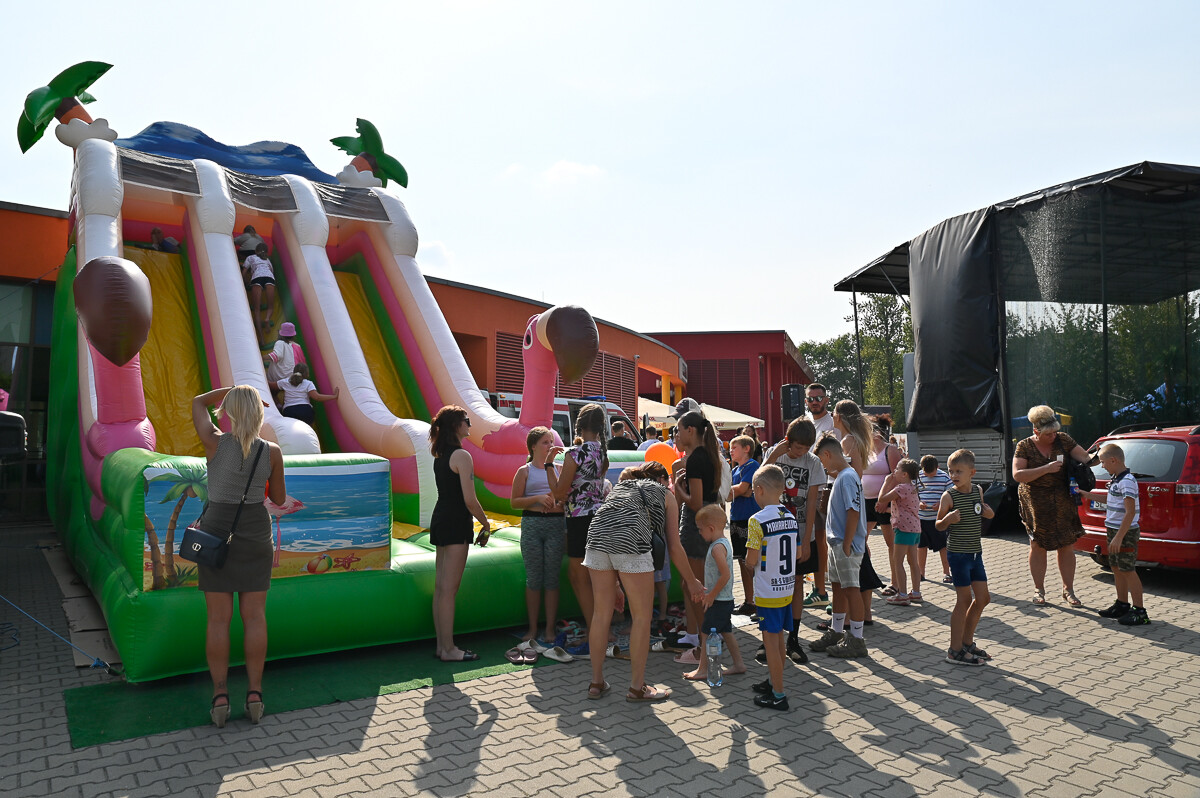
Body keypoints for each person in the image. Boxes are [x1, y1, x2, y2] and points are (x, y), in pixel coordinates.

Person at [190, 385, 285, 727]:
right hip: (255, 534)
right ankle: (255, 696)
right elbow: (279, 498)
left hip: (216, 531)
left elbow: (198, 402)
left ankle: (220, 698)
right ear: (259, 413)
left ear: (229, 411)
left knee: (218, 620)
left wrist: (230, 390)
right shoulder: (271, 451)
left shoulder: (214, 442)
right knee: (255, 618)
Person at [583, 464, 702, 702]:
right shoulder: (666, 494)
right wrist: (692, 581)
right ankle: (637, 688)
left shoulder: (622, 487)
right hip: (632, 541)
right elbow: (675, 546)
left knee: (600, 614)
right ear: (662, 480)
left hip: (596, 538)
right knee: (641, 618)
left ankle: (596, 683)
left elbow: (612, 526)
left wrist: (617, 586)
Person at [1012, 404, 1092, 606]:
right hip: (1035, 501)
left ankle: (1068, 590)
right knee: (1038, 544)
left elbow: (1085, 457)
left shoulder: (1063, 440)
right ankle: (1039, 590)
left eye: (1055, 432)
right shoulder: (1024, 446)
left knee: (1066, 544)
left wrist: (1101, 457)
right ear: (1036, 431)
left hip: (1063, 499)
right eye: (1049, 434)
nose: (1053, 436)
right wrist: (1046, 469)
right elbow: (1018, 475)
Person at [429, 406, 491, 662]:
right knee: (449, 590)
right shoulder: (462, 456)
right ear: (456, 425)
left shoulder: (440, 455)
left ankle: (442, 646)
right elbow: (470, 500)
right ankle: (449, 649)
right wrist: (486, 524)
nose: (470, 425)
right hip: (455, 522)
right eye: (467, 420)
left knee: (440, 588)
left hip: (441, 519)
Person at [763, 418, 824, 663]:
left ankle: (794, 637)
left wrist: (806, 540)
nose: (802, 452)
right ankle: (770, 637)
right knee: (772, 583)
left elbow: (812, 503)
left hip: (799, 532)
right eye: (798, 447)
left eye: (807, 448)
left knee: (797, 582)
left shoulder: (813, 462)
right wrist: (774, 455)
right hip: (773, 531)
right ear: (788, 441)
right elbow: (758, 481)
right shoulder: (775, 454)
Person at [552, 403, 609, 645]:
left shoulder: (575, 453)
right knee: (593, 576)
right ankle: (601, 628)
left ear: (579, 425)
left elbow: (559, 492)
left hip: (578, 518)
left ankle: (595, 631)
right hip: (597, 516)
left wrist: (548, 466)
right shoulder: (601, 453)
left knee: (578, 576)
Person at [670, 408, 724, 664]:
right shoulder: (708, 455)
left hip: (697, 525)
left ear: (690, 431)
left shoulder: (695, 460)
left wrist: (678, 487)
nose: (676, 435)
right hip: (704, 524)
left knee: (696, 588)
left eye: (678, 430)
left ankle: (707, 647)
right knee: (691, 584)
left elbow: (695, 502)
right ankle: (705, 642)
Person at [811, 433, 870, 658]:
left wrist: (847, 543)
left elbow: (853, 511)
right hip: (837, 542)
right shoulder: (843, 476)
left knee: (851, 589)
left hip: (846, 544)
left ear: (827, 454)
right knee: (838, 587)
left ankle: (856, 639)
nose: (823, 466)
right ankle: (836, 631)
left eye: (822, 460)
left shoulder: (847, 477)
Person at [936, 449, 995, 665]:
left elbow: (984, 512)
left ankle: (967, 643)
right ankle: (954, 650)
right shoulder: (948, 496)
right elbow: (938, 524)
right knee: (964, 600)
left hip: (975, 553)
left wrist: (990, 514)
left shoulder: (977, 491)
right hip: (958, 554)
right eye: (951, 471)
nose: (954, 475)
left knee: (983, 598)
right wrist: (948, 519)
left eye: (958, 471)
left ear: (972, 472)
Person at [745, 465, 798, 710]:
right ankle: (773, 682)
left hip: (767, 590)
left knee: (771, 644)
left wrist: (748, 563)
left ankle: (778, 694)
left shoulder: (757, 520)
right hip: (786, 588)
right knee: (779, 641)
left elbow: (751, 559)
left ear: (759, 490)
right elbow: (796, 552)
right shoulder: (790, 516)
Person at [510, 427, 566, 646]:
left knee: (552, 579)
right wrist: (538, 499)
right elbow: (514, 502)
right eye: (545, 442)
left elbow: (566, 497)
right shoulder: (524, 471)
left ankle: (550, 627)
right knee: (533, 578)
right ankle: (533, 627)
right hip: (532, 525)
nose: (550, 446)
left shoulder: (560, 469)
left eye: (551, 441)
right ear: (533, 446)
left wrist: (554, 499)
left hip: (555, 524)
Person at [683, 504, 747, 682]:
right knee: (726, 631)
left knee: (706, 632)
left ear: (711, 528)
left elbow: (725, 575)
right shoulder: (722, 544)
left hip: (719, 600)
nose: (699, 533)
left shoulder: (717, 548)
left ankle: (703, 669)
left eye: (700, 530)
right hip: (723, 599)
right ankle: (739, 664)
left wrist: (711, 596)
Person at [1096, 444, 1150, 626]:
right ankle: (1122, 604)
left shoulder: (1127, 481)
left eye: (1103, 462)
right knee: (1116, 567)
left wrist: (1119, 537)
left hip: (1125, 532)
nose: (1102, 466)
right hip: (1114, 530)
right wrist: (1086, 494)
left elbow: (1130, 512)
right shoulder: (1117, 479)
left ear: (1113, 460)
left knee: (1127, 569)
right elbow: (1110, 499)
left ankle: (1140, 612)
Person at [863, 413, 903, 596]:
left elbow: (897, 477)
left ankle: (896, 583)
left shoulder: (890, 450)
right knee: (860, 541)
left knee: (891, 543)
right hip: (866, 501)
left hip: (885, 503)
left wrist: (884, 500)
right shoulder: (865, 450)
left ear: (876, 432)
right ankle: (867, 577)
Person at [878, 458, 923, 606]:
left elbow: (881, 499)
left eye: (897, 469)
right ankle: (916, 593)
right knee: (913, 562)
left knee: (898, 562)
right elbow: (904, 508)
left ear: (905, 474)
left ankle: (902, 595)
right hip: (915, 528)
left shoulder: (901, 488)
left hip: (903, 529)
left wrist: (886, 482)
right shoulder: (912, 487)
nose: (894, 471)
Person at [727, 434, 760, 617]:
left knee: (751, 561)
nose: (731, 451)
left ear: (747, 449)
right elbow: (731, 493)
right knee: (741, 560)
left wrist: (738, 490)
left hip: (749, 518)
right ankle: (749, 601)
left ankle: (758, 599)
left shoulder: (752, 465)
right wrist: (737, 490)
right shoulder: (734, 470)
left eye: (734, 447)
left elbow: (740, 489)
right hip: (736, 517)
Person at [917, 455, 953, 583]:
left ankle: (946, 573)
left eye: (932, 473)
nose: (929, 476)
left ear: (937, 467)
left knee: (943, 546)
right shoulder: (917, 477)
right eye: (926, 473)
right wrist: (918, 503)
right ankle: (920, 573)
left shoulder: (944, 477)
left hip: (938, 519)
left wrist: (941, 504)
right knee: (921, 546)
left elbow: (950, 494)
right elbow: (913, 494)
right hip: (921, 518)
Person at [269, 363, 338, 426]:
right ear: (307, 374)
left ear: (294, 371)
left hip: (289, 410)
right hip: (305, 410)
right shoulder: (308, 383)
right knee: (308, 430)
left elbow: (270, 385)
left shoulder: (285, 381)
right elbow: (317, 397)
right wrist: (334, 396)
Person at [242, 243, 276, 347]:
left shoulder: (250, 257)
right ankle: (267, 318)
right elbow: (271, 271)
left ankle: (261, 339)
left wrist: (245, 282)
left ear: (256, 251)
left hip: (257, 278)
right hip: (269, 278)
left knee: (256, 310)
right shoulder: (267, 260)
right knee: (270, 307)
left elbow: (244, 271)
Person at [264, 321, 306, 389]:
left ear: (281, 334)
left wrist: (261, 358)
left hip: (277, 379)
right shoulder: (298, 346)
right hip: (291, 379)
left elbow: (276, 355)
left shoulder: (280, 342)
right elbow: (302, 361)